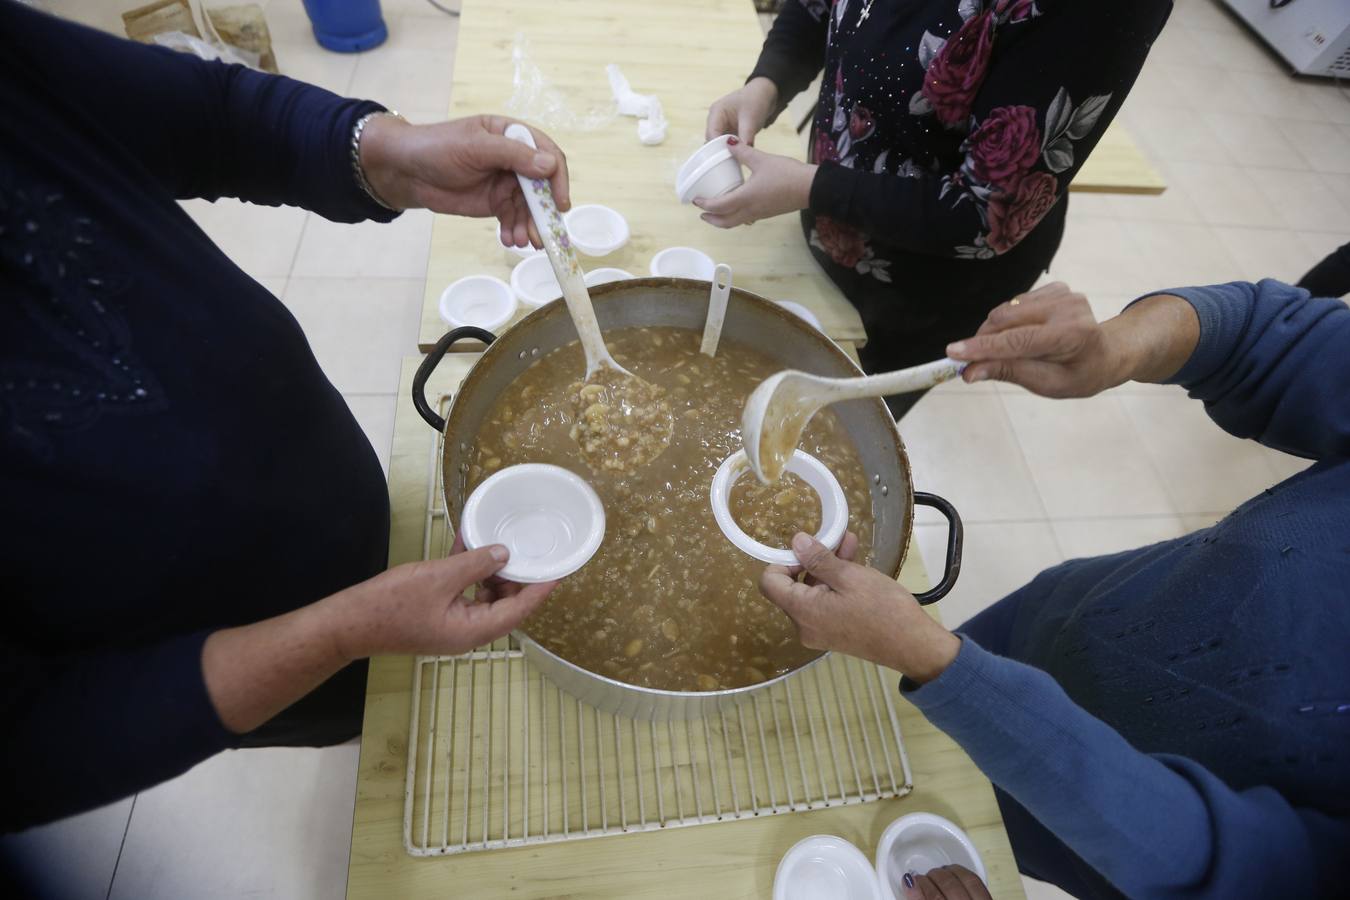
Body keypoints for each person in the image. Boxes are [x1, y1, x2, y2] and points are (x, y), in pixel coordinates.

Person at [0, 1, 565, 833]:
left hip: (319, 480)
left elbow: (212, 114)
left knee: (378, 590)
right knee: (357, 713)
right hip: (207, 639)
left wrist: (396, 154)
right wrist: (336, 636)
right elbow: (29, 742)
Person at [759, 279, 1350, 898]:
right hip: (1067, 620)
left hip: (1085, 832)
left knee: (962, 804)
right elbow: (1269, 331)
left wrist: (932, 660)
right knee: (927, 712)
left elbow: (1245, 875)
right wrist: (1117, 347)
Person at [701, 0, 1173, 418]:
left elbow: (984, 212)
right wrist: (768, 81)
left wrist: (811, 187)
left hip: (923, 285)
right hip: (824, 213)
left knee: (843, 418)